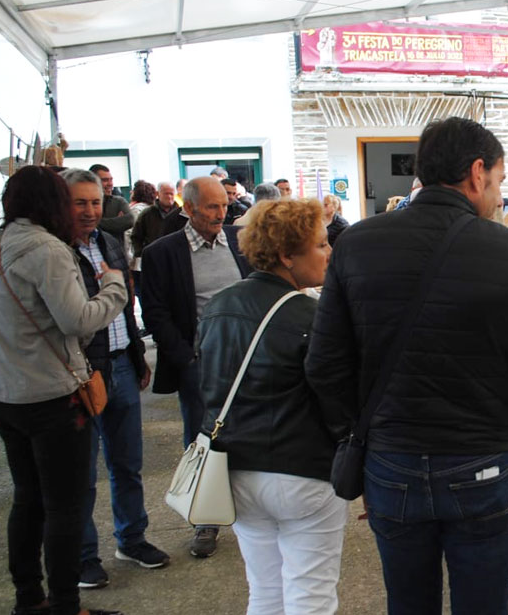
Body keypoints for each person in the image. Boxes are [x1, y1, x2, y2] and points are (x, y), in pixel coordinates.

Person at [306, 117, 508, 615]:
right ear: (476, 173)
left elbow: (324, 366)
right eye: (497, 180)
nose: (497, 195)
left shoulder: (357, 244)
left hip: (392, 461)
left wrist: (363, 430)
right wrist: (499, 425)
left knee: (407, 605)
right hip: (482, 465)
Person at [0, 165, 128, 615]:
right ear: (51, 202)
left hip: (5, 393)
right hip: (54, 397)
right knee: (65, 506)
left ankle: (29, 599)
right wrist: (115, 286)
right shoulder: (47, 249)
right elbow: (78, 320)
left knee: (28, 499)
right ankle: (65, 605)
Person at [197, 199, 344, 614]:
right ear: (285, 255)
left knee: (264, 590)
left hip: (236, 467)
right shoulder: (312, 315)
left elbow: (207, 383)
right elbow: (336, 398)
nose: (328, 252)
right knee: (311, 593)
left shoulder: (219, 305)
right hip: (303, 471)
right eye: (319, 245)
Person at [62, 169, 168, 590]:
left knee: (127, 463)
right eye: (79, 203)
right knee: (81, 472)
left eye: (94, 202)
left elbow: (125, 306)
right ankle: (85, 557)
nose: (90, 211)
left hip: (122, 362)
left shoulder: (108, 241)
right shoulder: (57, 252)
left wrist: (140, 356)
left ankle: (132, 539)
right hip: (81, 372)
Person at [140, 176, 251, 558]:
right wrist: (187, 359)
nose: (222, 214)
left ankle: (254, 513)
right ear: (189, 209)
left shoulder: (241, 241)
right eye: (212, 207)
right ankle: (207, 519)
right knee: (205, 441)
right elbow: (156, 313)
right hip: (201, 366)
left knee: (254, 433)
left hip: (250, 360)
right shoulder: (162, 253)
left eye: (224, 206)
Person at [89, 164, 133, 238]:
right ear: (92, 182)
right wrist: (115, 222)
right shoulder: (87, 203)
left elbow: (129, 220)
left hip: (115, 248)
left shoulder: (118, 202)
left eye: (111, 180)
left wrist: (93, 222)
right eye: (105, 180)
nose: (110, 184)